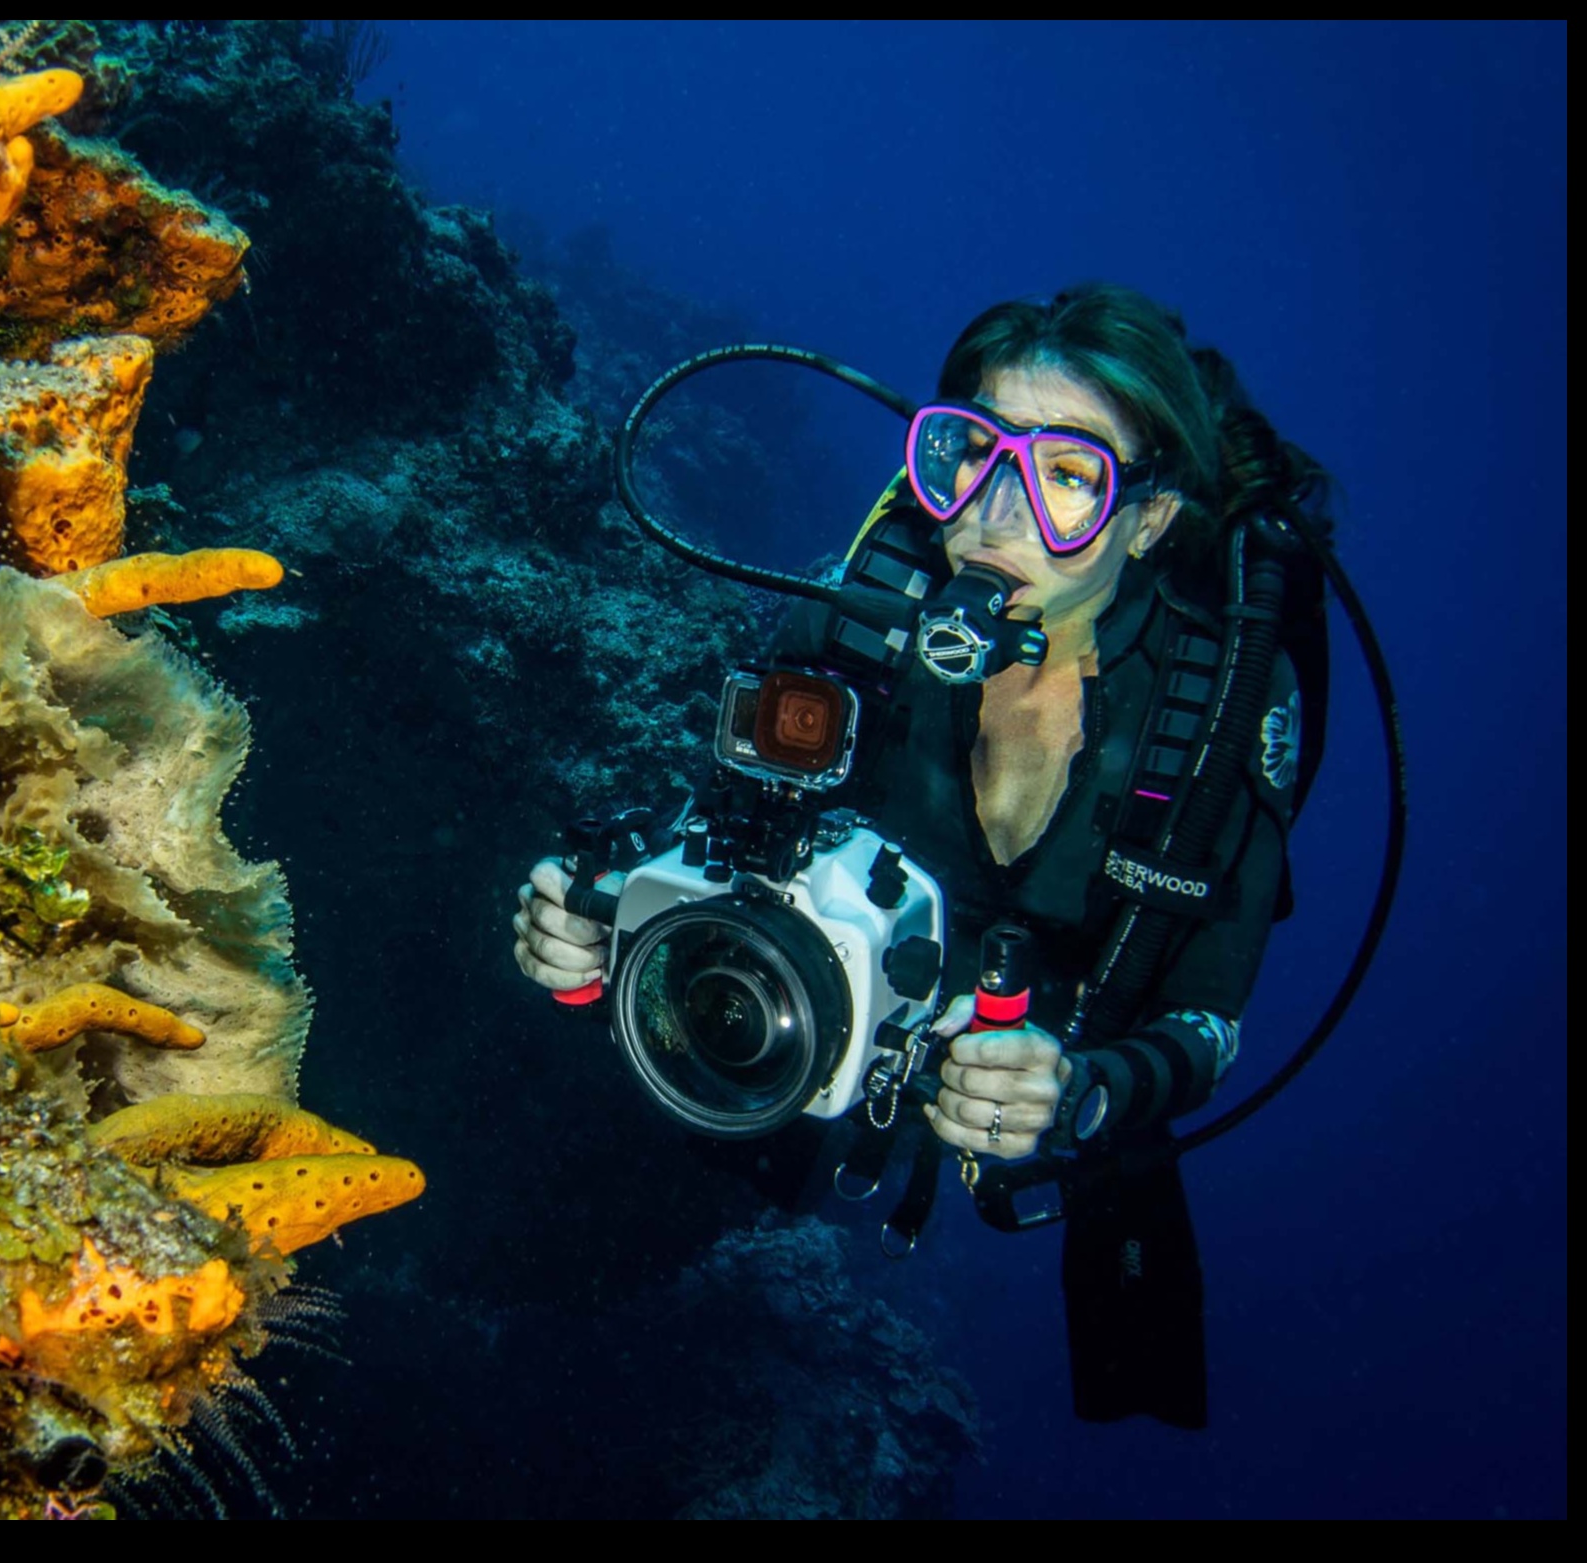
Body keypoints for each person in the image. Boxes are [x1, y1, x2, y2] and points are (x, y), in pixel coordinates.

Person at [512, 283, 1330, 1428]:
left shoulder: (1220, 711)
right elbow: (737, 831)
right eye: (974, 456)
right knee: (576, 1277)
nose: (997, 517)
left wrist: (1085, 1090)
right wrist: (602, 929)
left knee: (1137, 1341)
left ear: (1148, 520)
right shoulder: (863, 622)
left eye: (1069, 479)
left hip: (1071, 1035)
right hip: (834, 1021)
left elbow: (1208, 1013)